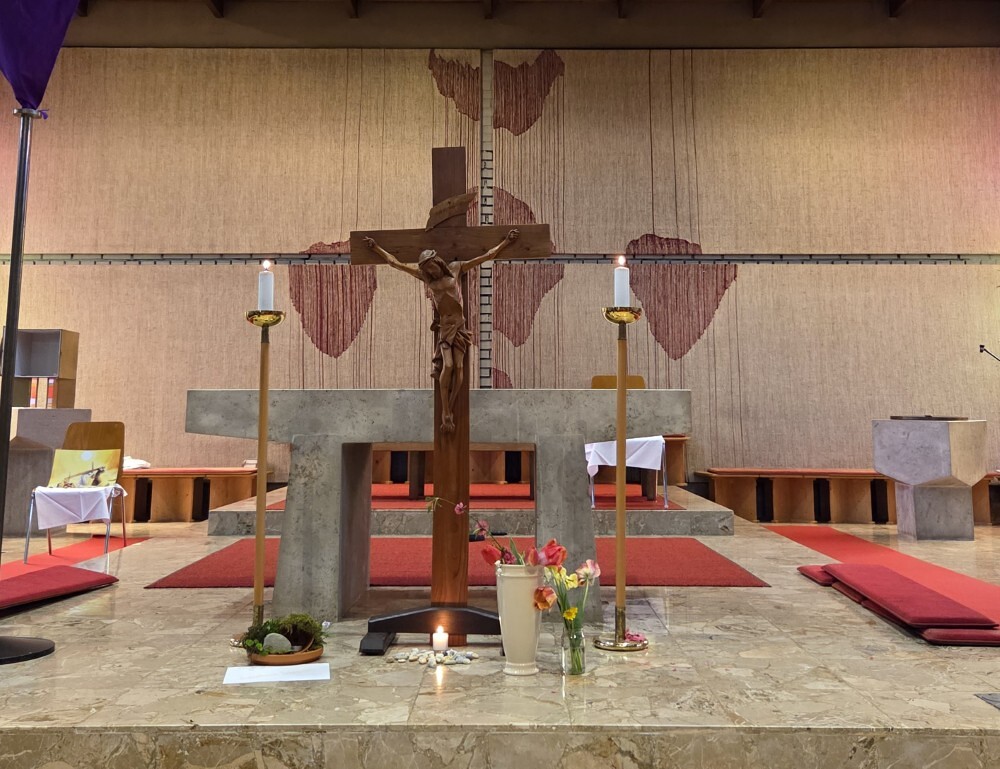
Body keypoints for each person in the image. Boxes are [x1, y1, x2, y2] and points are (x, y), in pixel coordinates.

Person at [364, 229, 520, 432]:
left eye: (432, 267)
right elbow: (396, 264)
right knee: (448, 366)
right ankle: (445, 410)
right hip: (445, 328)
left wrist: (506, 242)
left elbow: (486, 256)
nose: (432, 272)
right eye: (428, 270)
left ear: (438, 262)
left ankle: (450, 409)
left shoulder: (456, 268)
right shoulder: (427, 279)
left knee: (460, 368)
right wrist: (376, 248)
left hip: (459, 326)